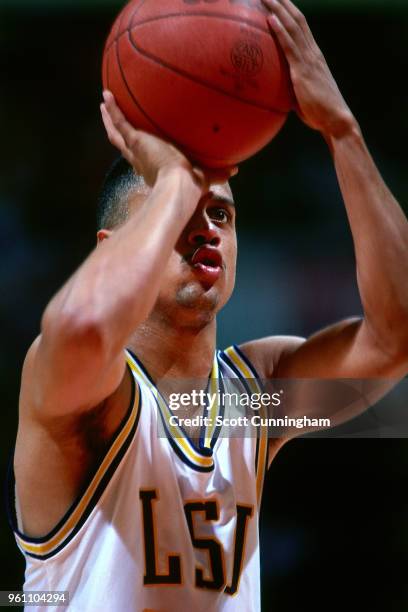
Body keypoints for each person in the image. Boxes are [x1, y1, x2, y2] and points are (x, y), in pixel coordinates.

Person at [8, 0, 408, 610]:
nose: (207, 229)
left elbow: (395, 338)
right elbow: (85, 324)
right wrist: (175, 178)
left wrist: (342, 131)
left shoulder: (258, 398)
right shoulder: (83, 393)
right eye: (180, 209)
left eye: (220, 212)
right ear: (111, 250)